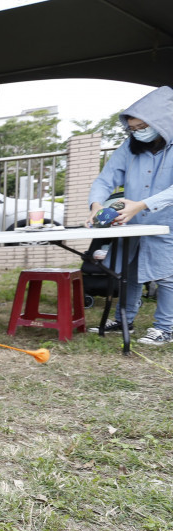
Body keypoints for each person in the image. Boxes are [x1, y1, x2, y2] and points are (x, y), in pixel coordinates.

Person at [86, 86, 173, 345]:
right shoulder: (129, 147)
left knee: (167, 275)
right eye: (133, 129)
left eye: (142, 127)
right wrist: (96, 205)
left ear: (161, 122)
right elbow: (105, 179)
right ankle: (124, 321)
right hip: (132, 223)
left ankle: (166, 328)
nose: (138, 132)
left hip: (166, 222)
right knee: (130, 272)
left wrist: (142, 204)